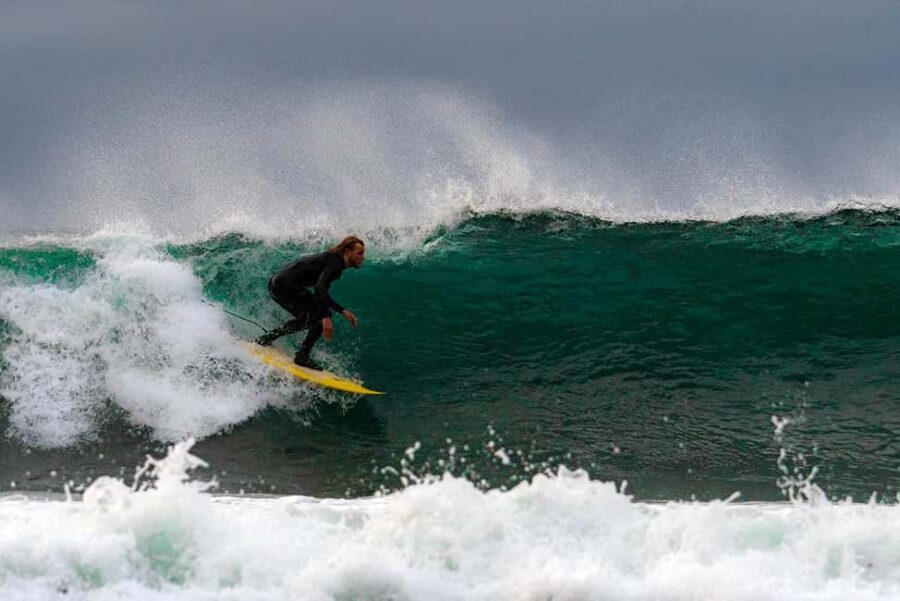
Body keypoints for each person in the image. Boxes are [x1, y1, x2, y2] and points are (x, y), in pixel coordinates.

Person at [254, 236, 364, 369]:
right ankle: (301, 356)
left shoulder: (333, 260)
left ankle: (267, 338)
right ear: (347, 252)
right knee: (317, 319)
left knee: (309, 318)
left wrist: (342, 310)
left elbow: (321, 294)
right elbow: (319, 289)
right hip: (283, 286)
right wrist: (326, 317)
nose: (362, 257)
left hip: (278, 284)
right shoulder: (335, 264)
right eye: (359, 253)